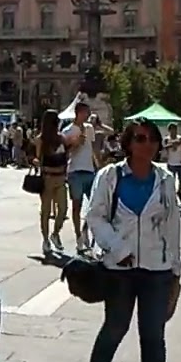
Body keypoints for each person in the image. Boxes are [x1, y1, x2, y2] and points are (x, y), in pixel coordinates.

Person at [85, 118, 181, 362]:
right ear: (128, 143)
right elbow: (95, 217)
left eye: (153, 139)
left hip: (156, 271)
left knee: (153, 336)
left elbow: (172, 226)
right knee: (116, 327)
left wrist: (175, 271)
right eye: (140, 138)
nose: (148, 144)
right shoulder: (110, 176)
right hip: (119, 270)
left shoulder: (165, 180)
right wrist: (118, 248)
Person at [63, 103, 101, 253]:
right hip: (75, 171)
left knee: (95, 205)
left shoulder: (89, 129)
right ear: (78, 113)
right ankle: (78, 235)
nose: (87, 115)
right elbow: (66, 154)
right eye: (86, 112)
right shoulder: (67, 130)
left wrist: (98, 164)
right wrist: (75, 144)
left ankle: (86, 230)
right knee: (76, 207)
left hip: (89, 170)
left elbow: (92, 148)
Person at [34, 108, 70, 256]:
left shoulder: (62, 138)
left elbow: (66, 156)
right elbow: (37, 158)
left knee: (63, 209)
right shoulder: (40, 139)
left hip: (60, 177)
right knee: (46, 211)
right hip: (48, 177)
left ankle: (55, 234)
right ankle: (45, 240)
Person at [163, 123, 181, 204]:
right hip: (171, 163)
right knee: (171, 181)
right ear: (169, 130)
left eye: (175, 129)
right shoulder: (166, 139)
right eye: (172, 129)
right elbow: (164, 147)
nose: (173, 131)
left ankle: (179, 191)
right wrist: (172, 145)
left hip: (180, 163)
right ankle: (173, 197)